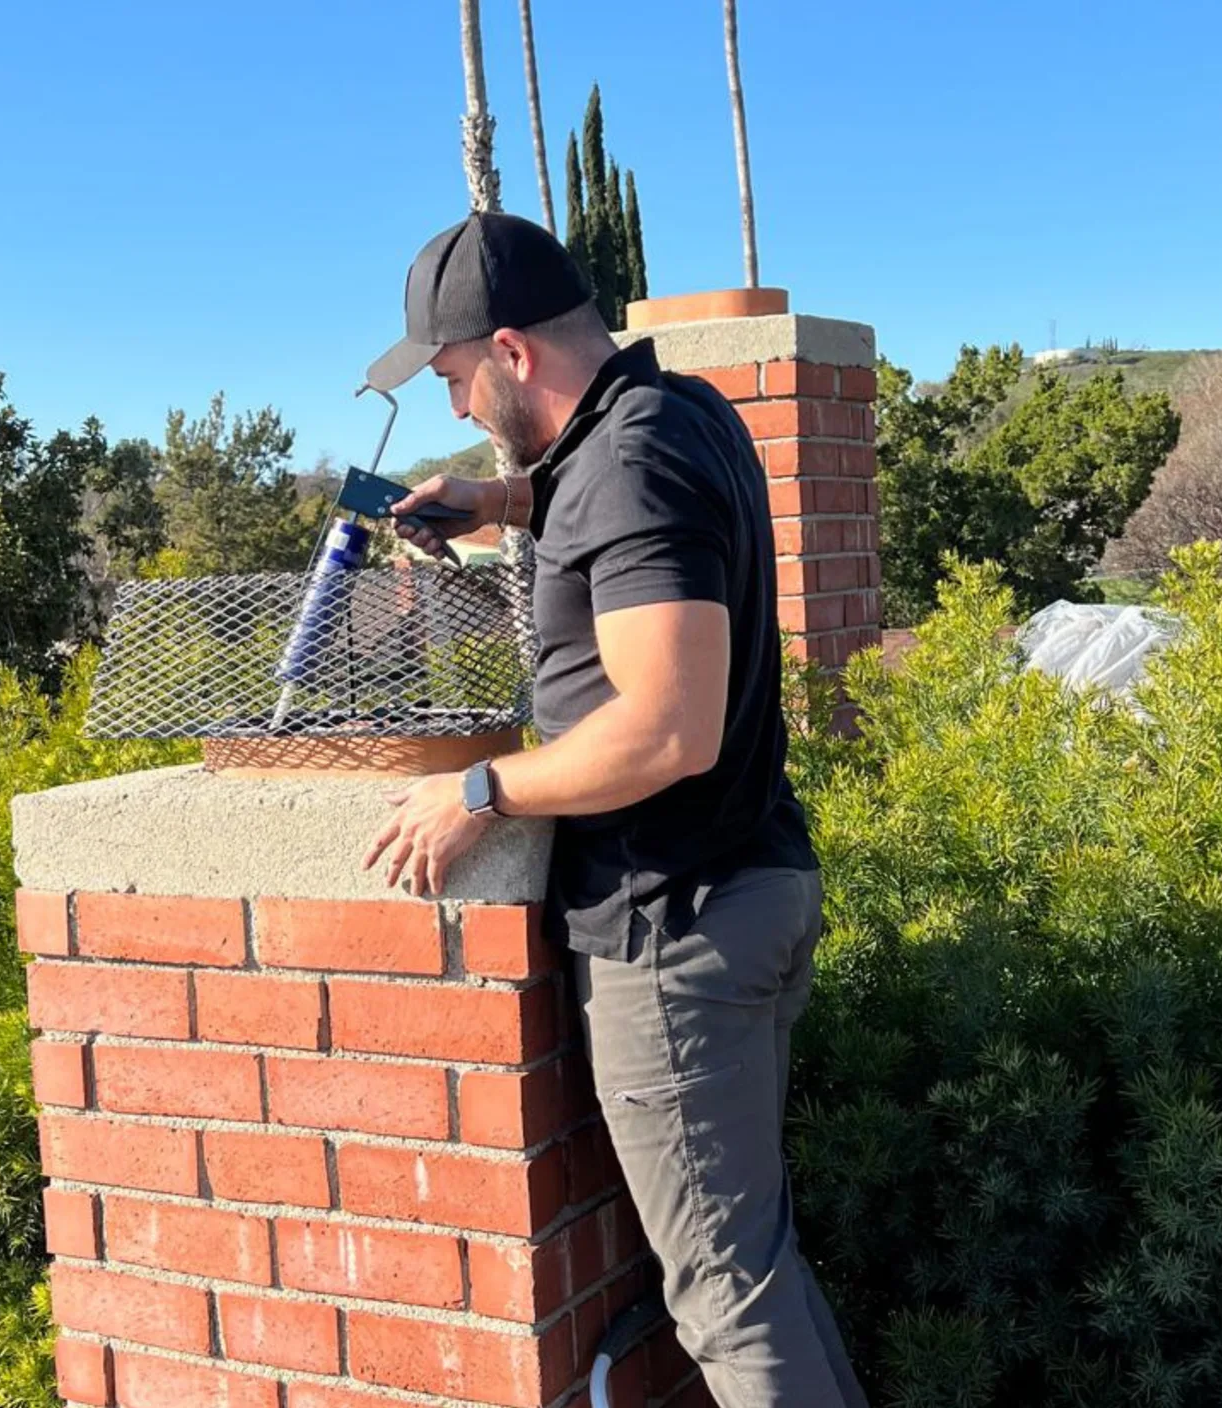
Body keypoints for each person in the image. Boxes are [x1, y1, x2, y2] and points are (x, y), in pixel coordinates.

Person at [360, 211, 867, 1407]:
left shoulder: (630, 460)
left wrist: (477, 789)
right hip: (744, 883)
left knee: (726, 1298)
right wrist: (492, 502)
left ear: (509, 350)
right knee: (754, 1271)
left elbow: (665, 726)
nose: (452, 409)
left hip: (672, 922)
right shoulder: (671, 415)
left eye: (452, 380)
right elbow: (590, 494)